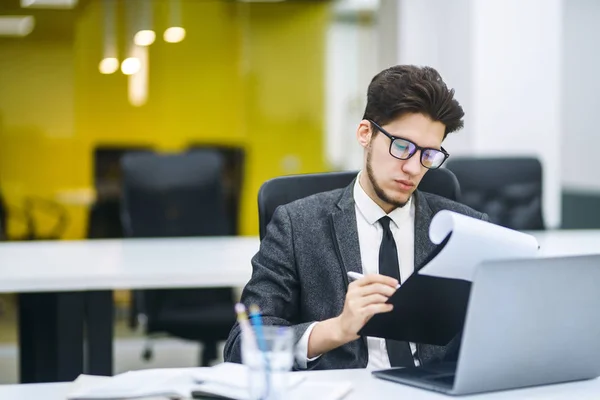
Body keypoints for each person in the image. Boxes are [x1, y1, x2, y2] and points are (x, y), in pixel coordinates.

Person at [224, 65, 488, 370]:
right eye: (402, 146)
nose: (414, 169)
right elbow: (241, 345)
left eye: (428, 155)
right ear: (366, 134)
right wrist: (335, 329)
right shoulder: (297, 225)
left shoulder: (466, 228)